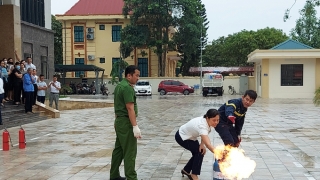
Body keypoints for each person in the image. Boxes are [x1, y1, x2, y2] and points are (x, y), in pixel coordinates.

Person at [110, 65, 140, 180]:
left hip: (119, 121)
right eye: (136, 75)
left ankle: (114, 176)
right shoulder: (127, 88)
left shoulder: (119, 86)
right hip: (126, 123)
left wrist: (117, 121)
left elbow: (118, 105)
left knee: (119, 150)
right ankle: (131, 177)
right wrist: (135, 126)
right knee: (130, 152)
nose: (138, 78)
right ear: (129, 75)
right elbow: (130, 108)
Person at [175, 109, 219, 180]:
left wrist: (202, 145)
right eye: (214, 120)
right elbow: (208, 144)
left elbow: (204, 135)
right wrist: (219, 154)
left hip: (191, 137)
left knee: (199, 152)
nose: (216, 122)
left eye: (217, 120)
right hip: (182, 137)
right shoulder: (202, 125)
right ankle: (194, 174)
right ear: (207, 118)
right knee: (199, 153)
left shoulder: (206, 122)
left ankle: (186, 170)